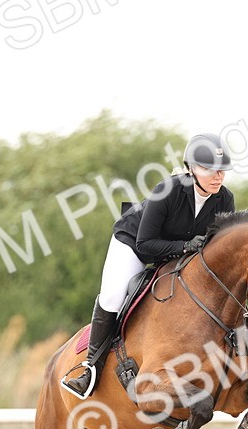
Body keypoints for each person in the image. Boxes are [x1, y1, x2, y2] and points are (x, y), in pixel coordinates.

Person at [61, 133, 236, 398]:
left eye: (221, 170)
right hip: (134, 242)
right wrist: (185, 247)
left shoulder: (225, 200)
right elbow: (145, 245)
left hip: (177, 252)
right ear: (191, 168)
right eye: (209, 169)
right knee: (113, 295)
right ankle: (89, 369)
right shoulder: (168, 191)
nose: (217, 176)